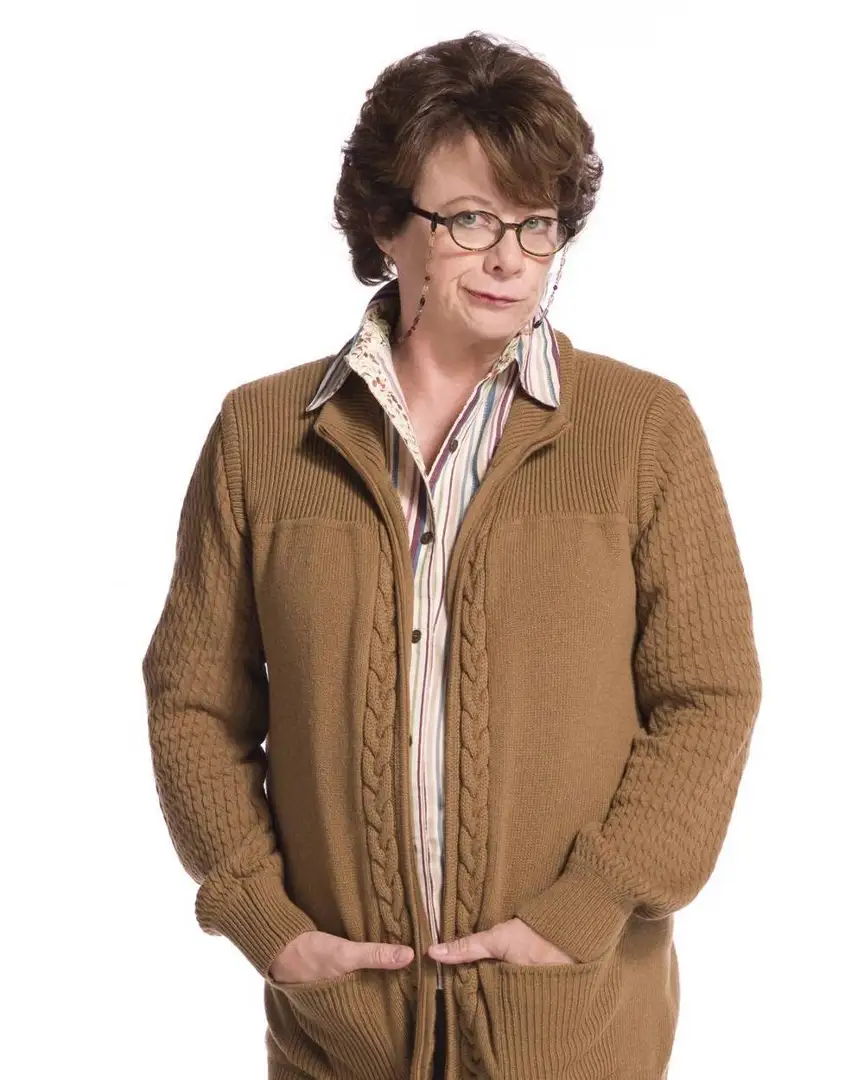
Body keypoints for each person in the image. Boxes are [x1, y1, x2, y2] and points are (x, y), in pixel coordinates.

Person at [142, 31, 762, 1080]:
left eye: (537, 223)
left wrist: (590, 903)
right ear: (389, 224)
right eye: (471, 219)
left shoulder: (643, 429)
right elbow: (192, 701)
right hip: (341, 1035)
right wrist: (263, 920)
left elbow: (709, 694)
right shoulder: (261, 436)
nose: (512, 258)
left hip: (571, 1025)